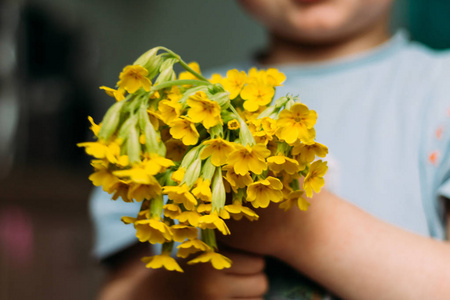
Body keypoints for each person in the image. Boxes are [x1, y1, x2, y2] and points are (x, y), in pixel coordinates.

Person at [90, 0, 450, 299]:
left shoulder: (440, 88)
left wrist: (298, 230)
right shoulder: (164, 112)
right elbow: (118, 291)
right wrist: (174, 287)